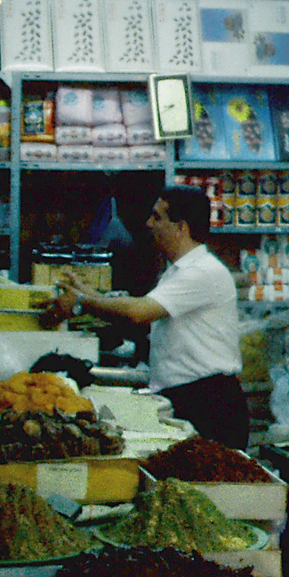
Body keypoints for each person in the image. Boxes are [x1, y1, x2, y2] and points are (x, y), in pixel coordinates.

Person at [41, 184, 249, 449]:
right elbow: (143, 306)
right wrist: (91, 294)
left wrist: (82, 303)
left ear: (181, 227)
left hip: (209, 403)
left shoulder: (202, 272)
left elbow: (139, 313)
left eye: (158, 217)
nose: (148, 224)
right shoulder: (178, 271)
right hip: (187, 396)